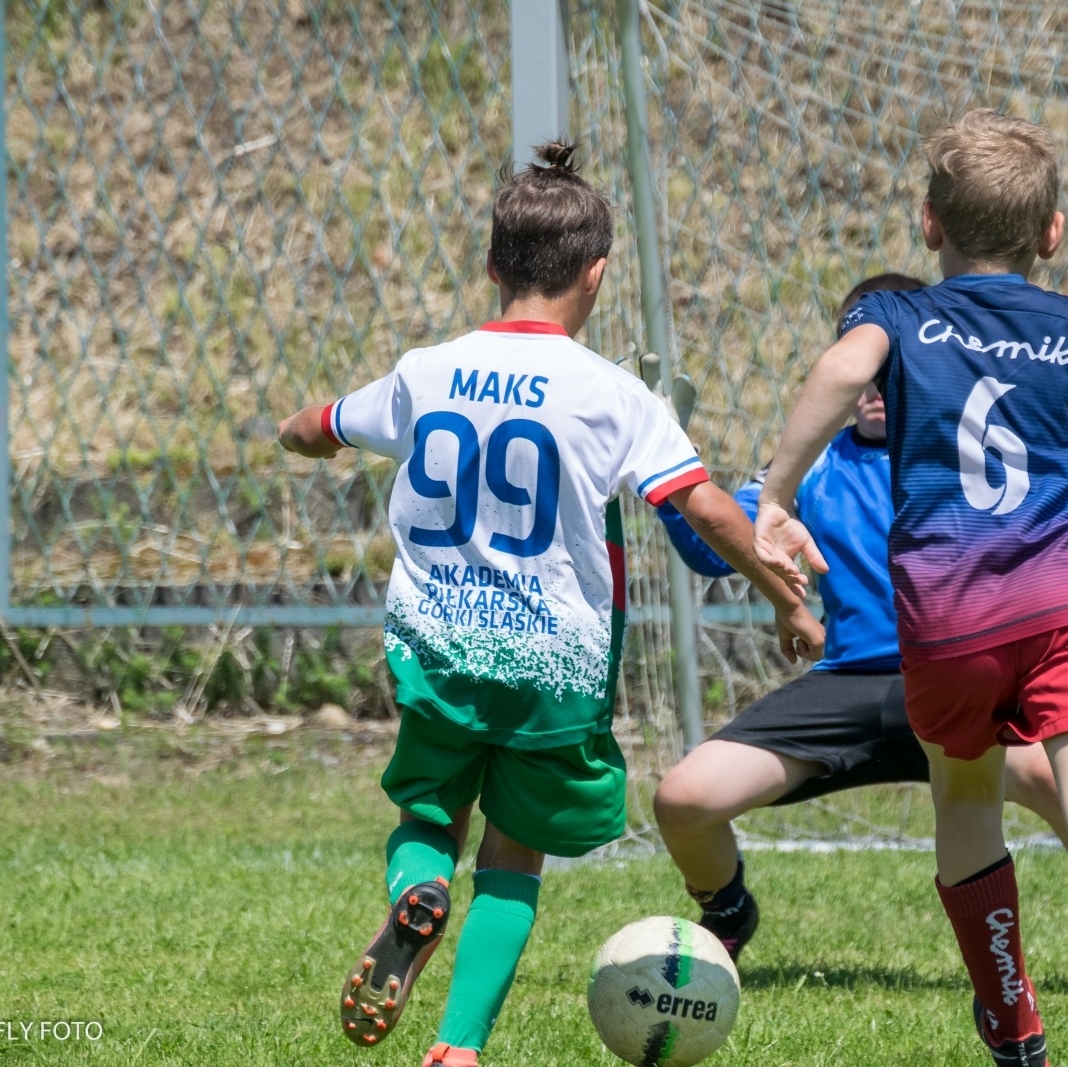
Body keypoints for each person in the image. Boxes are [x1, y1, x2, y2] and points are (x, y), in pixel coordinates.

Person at [277, 141, 823, 1067]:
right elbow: (705, 509)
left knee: (427, 818)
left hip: (437, 650)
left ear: (493, 265)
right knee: (514, 856)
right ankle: (457, 1047)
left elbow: (316, 426)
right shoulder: (614, 396)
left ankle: (419, 889)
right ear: (598, 274)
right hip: (552, 671)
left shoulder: (424, 371)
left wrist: (303, 436)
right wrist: (786, 598)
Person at [654, 273, 1068, 1007]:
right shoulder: (812, 470)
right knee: (682, 798)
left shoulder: (962, 460)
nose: (870, 385)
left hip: (960, 671)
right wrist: (673, 474)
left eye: (883, 369)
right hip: (849, 687)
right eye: (856, 364)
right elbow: (719, 546)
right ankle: (729, 912)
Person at [754, 112, 1068, 1063]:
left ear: (929, 224)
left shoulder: (899, 318)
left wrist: (778, 493)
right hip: (1066, 604)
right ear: (1054, 232)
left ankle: (1010, 1012)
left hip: (948, 618)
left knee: (964, 795)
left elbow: (839, 370)